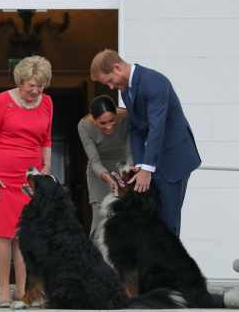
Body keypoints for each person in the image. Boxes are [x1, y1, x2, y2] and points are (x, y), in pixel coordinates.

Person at [90, 49, 201, 237]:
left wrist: (147, 169)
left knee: (168, 222)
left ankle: (170, 265)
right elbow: (136, 129)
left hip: (174, 159)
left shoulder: (155, 82)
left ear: (117, 68)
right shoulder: (126, 89)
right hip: (152, 160)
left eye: (109, 81)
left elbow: (158, 127)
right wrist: (140, 164)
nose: (110, 87)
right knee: (151, 221)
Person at [0, 56, 53, 309]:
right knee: (3, 233)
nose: (35, 91)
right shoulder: (2, 100)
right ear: (20, 81)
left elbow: (46, 139)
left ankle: (21, 289)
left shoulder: (47, 103)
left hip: (30, 179)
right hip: (2, 177)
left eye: (40, 86)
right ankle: (3, 290)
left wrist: (47, 166)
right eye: (31, 86)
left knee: (25, 235)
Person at [77, 95, 131, 248]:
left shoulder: (127, 117)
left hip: (124, 167)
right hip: (99, 174)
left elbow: (130, 152)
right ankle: (97, 264)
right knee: (100, 220)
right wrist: (107, 177)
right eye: (102, 123)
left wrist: (126, 173)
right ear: (94, 120)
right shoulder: (84, 126)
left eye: (112, 120)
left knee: (125, 217)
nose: (108, 126)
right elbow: (94, 161)